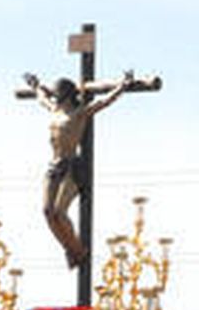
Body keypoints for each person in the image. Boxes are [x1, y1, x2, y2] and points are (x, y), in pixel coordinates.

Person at [22, 68, 139, 267]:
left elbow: (103, 102)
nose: (55, 96)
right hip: (54, 165)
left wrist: (123, 86)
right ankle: (71, 248)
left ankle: (77, 249)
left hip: (71, 166)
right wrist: (35, 85)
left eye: (57, 93)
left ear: (66, 95)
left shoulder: (79, 113)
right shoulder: (54, 109)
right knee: (47, 212)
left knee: (59, 212)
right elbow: (41, 97)